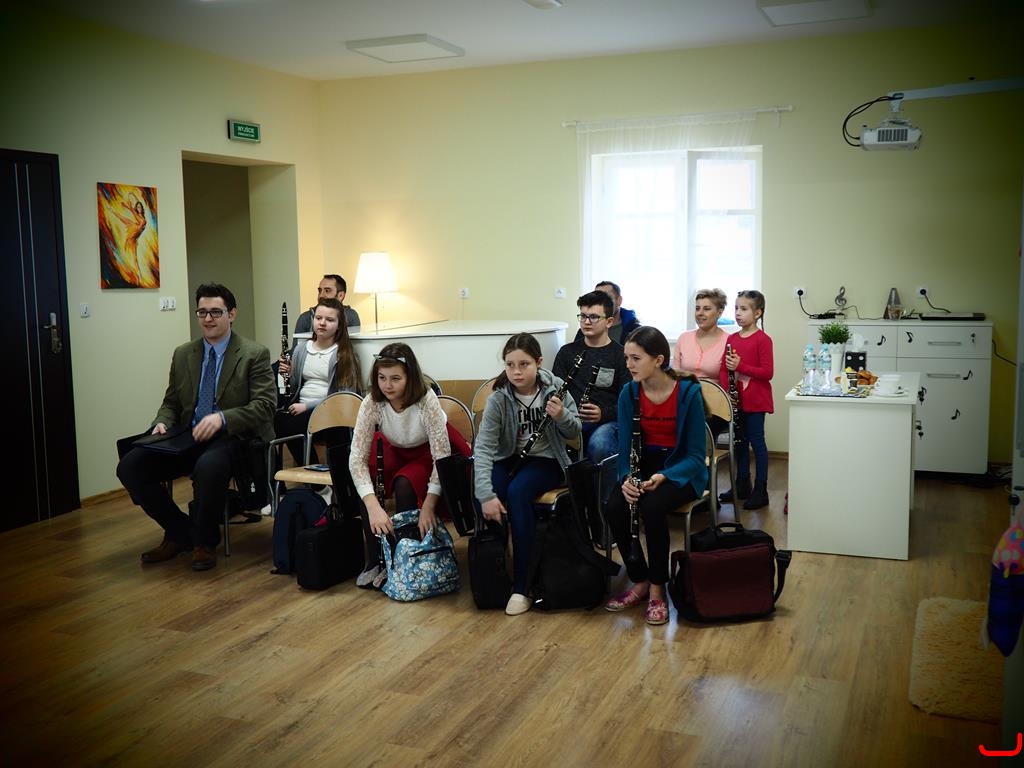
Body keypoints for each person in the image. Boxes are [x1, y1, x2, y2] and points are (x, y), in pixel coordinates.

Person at [116, 283, 276, 571]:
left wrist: (222, 418)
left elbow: (265, 406)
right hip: (188, 435)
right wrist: (162, 422)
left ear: (232, 314)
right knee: (130, 466)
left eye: (216, 312)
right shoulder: (183, 354)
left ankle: (204, 541)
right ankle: (180, 532)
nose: (208, 319)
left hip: (231, 437)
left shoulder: (254, 353)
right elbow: (171, 402)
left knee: (208, 467)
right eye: (202, 312)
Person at [603, 326, 707, 626]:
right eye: (626, 358)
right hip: (643, 465)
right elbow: (625, 449)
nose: (628, 365)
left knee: (652, 506)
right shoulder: (629, 392)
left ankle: (658, 588)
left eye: (636, 358)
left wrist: (665, 475)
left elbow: (696, 456)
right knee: (615, 506)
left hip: (681, 470)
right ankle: (641, 580)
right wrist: (626, 478)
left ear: (659, 360)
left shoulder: (688, 393)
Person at [474, 333, 582, 616]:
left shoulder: (555, 387)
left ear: (539, 362)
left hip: (547, 460)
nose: (517, 372)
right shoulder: (499, 398)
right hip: (510, 458)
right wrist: (485, 495)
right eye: (510, 365)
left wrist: (561, 416)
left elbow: (575, 432)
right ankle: (495, 575)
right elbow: (483, 448)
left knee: (518, 493)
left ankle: (523, 585)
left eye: (524, 364)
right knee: (487, 492)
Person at [348, 342, 471, 589]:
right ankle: (375, 559)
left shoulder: (426, 400)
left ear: (410, 377)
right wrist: (373, 507)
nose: (387, 385)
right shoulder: (372, 402)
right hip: (395, 446)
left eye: (395, 378)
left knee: (405, 484)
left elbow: (441, 456)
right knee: (366, 480)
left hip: (428, 451)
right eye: (382, 378)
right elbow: (356, 459)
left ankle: (402, 557)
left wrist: (429, 505)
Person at [274, 297, 362, 468]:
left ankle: (314, 475)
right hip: (299, 407)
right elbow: (294, 387)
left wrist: (307, 406)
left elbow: (344, 396)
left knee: (290, 427)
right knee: (276, 421)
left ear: (339, 325)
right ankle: (283, 479)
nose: (322, 323)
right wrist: (288, 374)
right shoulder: (301, 349)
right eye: (318, 318)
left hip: (329, 410)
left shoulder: (344, 354)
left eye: (330, 320)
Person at [553, 289, 630, 481]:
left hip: (608, 421)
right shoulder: (567, 352)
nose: (586, 322)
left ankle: (604, 497)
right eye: (583, 316)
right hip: (571, 418)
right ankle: (572, 494)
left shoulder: (621, 355)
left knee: (600, 444)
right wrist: (565, 414)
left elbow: (628, 402)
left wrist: (603, 413)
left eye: (594, 317)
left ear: (609, 322)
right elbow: (555, 392)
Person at [718, 290, 774, 511]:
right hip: (736, 401)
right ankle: (742, 484)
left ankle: (761, 490)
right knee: (739, 443)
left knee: (757, 443)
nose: (738, 313)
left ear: (757, 313)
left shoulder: (763, 340)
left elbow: (767, 372)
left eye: (744, 309)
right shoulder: (732, 339)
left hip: (756, 401)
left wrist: (740, 366)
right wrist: (727, 393)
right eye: (736, 308)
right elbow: (724, 368)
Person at [673, 288, 729, 379]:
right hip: (685, 388)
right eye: (697, 308)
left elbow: (731, 379)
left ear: (719, 313)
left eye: (706, 309)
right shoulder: (684, 338)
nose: (700, 313)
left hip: (715, 388)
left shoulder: (729, 341)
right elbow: (674, 375)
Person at [575, 280, 640, 344]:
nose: (601, 303)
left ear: (619, 300)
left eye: (607, 298)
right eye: (597, 298)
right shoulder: (585, 330)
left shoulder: (634, 330)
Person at [294, 274, 360, 333]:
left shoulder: (351, 316)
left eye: (327, 291)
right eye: (320, 290)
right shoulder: (305, 318)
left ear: (340, 295)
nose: (321, 295)